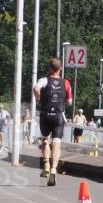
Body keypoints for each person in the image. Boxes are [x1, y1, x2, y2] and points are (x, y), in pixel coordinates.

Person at [33, 58, 72, 186]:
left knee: (45, 140)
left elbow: (36, 88)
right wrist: (63, 101)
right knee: (56, 144)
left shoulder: (44, 80)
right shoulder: (65, 82)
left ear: (50, 68)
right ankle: (54, 170)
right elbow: (70, 101)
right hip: (58, 117)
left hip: (45, 115)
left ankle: (45, 164)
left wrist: (39, 99)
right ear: (60, 69)